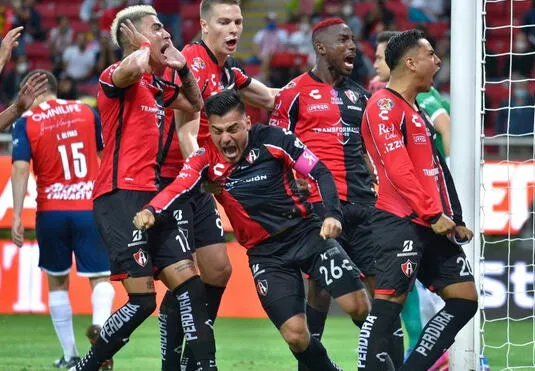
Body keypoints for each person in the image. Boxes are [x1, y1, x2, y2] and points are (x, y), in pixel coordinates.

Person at [134, 90, 371, 371]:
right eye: (218, 131)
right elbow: (179, 187)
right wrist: (151, 210)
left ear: (247, 121)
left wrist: (333, 214)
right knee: (295, 335)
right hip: (266, 256)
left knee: (359, 307)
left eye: (233, 129)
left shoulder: (275, 139)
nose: (226, 139)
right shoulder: (204, 159)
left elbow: (318, 171)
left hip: (307, 235)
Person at [71, 5, 217, 371]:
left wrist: (181, 67)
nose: (166, 33)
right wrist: (142, 47)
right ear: (134, 38)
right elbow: (132, 67)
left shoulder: (156, 87)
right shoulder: (114, 77)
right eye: (157, 28)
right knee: (142, 302)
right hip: (119, 196)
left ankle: (202, 367)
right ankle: (87, 365)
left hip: (155, 199)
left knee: (190, 286)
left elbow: (196, 104)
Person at [269, 18, 403, 370]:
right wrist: (290, 183)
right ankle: (312, 365)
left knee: (384, 293)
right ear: (320, 46)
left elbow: (370, 150)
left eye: (352, 40)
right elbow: (275, 151)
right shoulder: (292, 93)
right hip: (320, 208)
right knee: (321, 288)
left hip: (364, 205)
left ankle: (394, 364)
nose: (352, 46)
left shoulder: (361, 95)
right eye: (343, 40)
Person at [157, 0, 279, 369]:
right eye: (224, 21)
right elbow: (185, 132)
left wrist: (318, 89)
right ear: (204, 24)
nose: (234, 29)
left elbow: (273, 97)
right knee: (188, 278)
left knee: (218, 270)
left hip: (199, 180)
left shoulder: (228, 72)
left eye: (238, 22)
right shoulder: (191, 62)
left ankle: (193, 353)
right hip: (174, 179)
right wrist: (206, 179)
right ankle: (180, 359)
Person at [358, 29, 478, 371]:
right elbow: (398, 170)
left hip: (431, 222)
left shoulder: (415, 110)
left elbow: (436, 169)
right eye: (431, 55)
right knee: (387, 309)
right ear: (411, 62)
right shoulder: (383, 105)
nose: (438, 62)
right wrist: (432, 213)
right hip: (399, 223)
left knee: (464, 299)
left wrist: (455, 217)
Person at [10, 70, 115, 370]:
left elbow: (19, 169)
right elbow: (104, 153)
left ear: (31, 89)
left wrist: (17, 214)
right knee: (101, 279)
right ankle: (100, 336)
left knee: (57, 282)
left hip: (51, 211)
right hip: (89, 207)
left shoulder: (26, 122)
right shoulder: (86, 111)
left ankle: (70, 356)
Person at [373, 30, 453, 367]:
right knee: (408, 296)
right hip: (412, 206)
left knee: (421, 298)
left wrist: (447, 177)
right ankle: (429, 356)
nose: (377, 64)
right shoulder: (389, 100)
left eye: (380, 58)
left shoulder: (426, 98)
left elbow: (446, 127)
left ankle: (439, 356)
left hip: (423, 208)